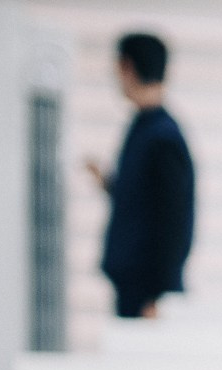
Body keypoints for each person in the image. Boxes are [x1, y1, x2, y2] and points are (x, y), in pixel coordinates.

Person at [87, 32, 195, 321]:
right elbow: (143, 201)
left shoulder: (162, 137)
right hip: (134, 285)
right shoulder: (144, 127)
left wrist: (160, 295)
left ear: (127, 67)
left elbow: (174, 220)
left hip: (147, 293)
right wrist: (109, 185)